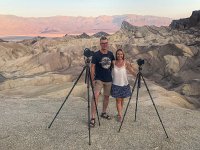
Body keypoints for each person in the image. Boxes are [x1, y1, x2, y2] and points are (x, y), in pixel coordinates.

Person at [90, 36, 115, 127]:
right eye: (103, 43)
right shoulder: (96, 55)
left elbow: (114, 65)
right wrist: (92, 79)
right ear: (100, 44)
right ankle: (93, 117)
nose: (104, 44)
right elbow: (92, 67)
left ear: (107, 43)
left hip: (108, 79)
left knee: (106, 97)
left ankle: (103, 112)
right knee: (95, 95)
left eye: (106, 43)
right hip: (99, 79)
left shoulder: (111, 54)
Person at [111, 49, 136, 122]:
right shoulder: (113, 62)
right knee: (118, 100)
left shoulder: (126, 63)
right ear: (116, 55)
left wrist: (137, 75)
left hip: (124, 84)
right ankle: (120, 115)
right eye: (118, 54)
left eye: (121, 54)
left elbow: (131, 71)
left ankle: (119, 113)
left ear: (123, 55)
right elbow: (106, 68)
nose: (119, 55)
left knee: (122, 100)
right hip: (116, 84)